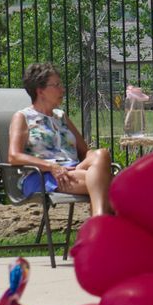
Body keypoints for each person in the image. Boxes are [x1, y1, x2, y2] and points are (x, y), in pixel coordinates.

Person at [8, 62, 113, 217]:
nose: (62, 89)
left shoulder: (61, 116)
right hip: (42, 176)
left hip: (72, 171)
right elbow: (14, 156)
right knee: (113, 186)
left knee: (102, 154)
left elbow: (85, 152)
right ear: (40, 91)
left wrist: (94, 163)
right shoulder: (23, 117)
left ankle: (99, 221)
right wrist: (52, 167)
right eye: (56, 85)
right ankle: (100, 220)